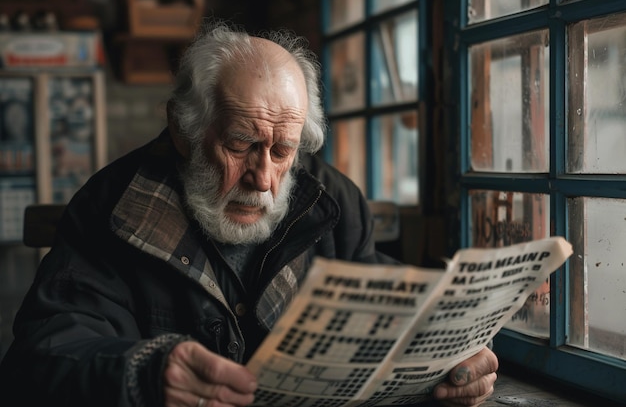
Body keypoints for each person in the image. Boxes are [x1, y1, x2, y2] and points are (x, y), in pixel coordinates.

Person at [0, 21, 498, 407]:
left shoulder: (333, 202)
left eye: (283, 151)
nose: (263, 177)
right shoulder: (113, 207)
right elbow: (40, 359)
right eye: (242, 144)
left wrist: (445, 361)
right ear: (183, 129)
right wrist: (143, 374)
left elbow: (372, 298)